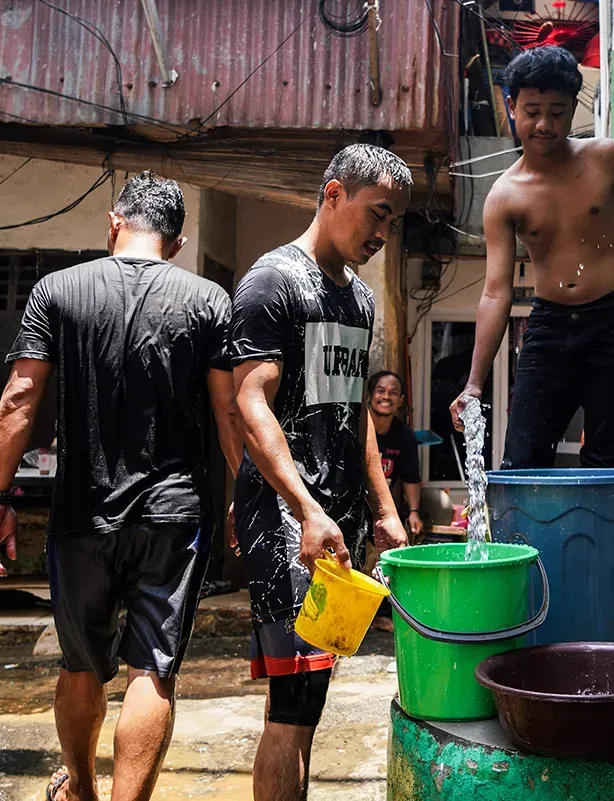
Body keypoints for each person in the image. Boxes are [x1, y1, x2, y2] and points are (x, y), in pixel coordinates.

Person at [0, 171, 242, 801]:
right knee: (151, 669)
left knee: (79, 665)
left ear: (114, 222)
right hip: (174, 518)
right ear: (177, 243)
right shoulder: (208, 300)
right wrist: (244, 500)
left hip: (81, 516)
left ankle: (82, 794)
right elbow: (229, 411)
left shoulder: (55, 291)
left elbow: (20, 395)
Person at [229, 143, 411, 801]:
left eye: (393, 223)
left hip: (338, 521)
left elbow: (353, 410)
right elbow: (249, 402)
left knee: (309, 704)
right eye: (377, 214)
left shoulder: (358, 299)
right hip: (290, 521)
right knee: (290, 705)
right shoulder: (273, 281)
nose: (383, 233)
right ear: (334, 194)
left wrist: (385, 508)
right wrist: (305, 508)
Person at [449, 46, 614, 468]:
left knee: (607, 460)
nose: (544, 124)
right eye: (532, 110)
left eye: (557, 112)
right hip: (548, 329)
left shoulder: (604, 156)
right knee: (521, 462)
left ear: (573, 108)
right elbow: (495, 293)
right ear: (512, 107)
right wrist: (474, 383)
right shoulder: (504, 196)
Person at [366, 369, 423, 632]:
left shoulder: (404, 436)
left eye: (392, 392)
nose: (386, 396)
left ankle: (385, 613)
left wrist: (413, 512)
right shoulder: (358, 429)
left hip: (385, 509)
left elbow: (411, 477)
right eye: (380, 390)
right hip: (355, 506)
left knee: (393, 554)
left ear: (401, 400)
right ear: (369, 396)